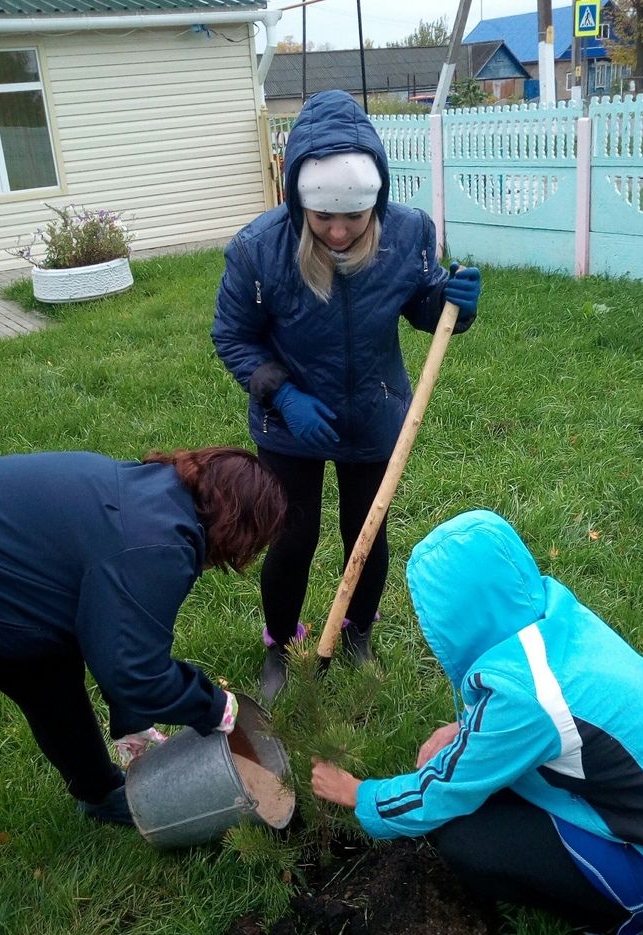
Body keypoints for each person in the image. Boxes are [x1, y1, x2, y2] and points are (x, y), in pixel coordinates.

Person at [311, 510, 643, 935]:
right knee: (479, 782)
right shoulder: (552, 617)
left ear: (455, 620)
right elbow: (538, 721)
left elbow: (442, 793)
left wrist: (359, 794)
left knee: (464, 839)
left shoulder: (524, 696)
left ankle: (613, 923)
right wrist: (466, 730)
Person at [0, 446, 286, 935]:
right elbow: (135, 672)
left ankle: (97, 792)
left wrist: (134, 723)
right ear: (241, 528)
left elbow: (111, 629)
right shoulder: (157, 542)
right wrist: (217, 707)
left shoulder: (155, 501)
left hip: (4, 585)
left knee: (51, 681)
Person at [212, 90, 482, 701]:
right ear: (298, 202)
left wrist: (454, 308)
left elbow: (423, 307)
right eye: (323, 218)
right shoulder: (258, 250)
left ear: (376, 202)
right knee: (292, 536)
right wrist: (282, 398)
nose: (338, 232)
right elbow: (232, 335)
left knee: (368, 531)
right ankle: (280, 644)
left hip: (374, 409)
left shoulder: (408, 233)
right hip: (292, 423)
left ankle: (358, 635)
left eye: (353, 219)